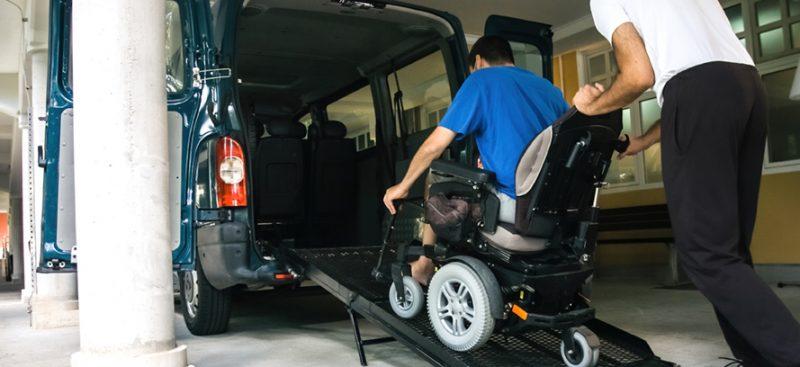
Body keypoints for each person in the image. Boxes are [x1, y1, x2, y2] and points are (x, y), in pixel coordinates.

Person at [575, 1, 800, 365]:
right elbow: (707, 76)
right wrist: (643, 141)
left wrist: (590, 107)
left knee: (708, 255)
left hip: (700, 90)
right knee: (731, 254)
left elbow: (639, 76)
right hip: (746, 86)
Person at [382, 35, 569, 286]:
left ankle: (425, 265)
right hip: (550, 210)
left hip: (511, 205)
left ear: (478, 62)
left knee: (436, 174)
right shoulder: (550, 90)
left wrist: (402, 185)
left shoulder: (480, 80)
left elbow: (436, 145)